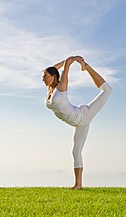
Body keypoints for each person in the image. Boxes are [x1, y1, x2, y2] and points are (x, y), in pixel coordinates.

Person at [42, 55, 112, 190]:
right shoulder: (49, 89)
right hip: (78, 123)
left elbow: (66, 65)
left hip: (83, 115)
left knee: (108, 90)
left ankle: (88, 69)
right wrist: (60, 63)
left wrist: (75, 60)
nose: (43, 79)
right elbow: (53, 69)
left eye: (45, 76)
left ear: (53, 77)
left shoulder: (61, 87)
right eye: (43, 76)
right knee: (75, 151)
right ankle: (78, 185)